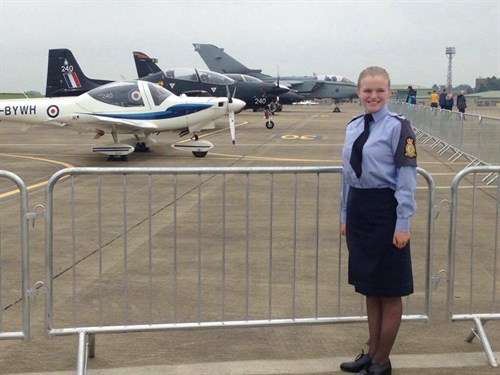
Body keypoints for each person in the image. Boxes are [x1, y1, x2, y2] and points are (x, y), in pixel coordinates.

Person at [339, 66, 417, 375]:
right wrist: (345, 215)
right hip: (359, 210)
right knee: (370, 288)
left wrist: (403, 223)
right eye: (367, 90)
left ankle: (382, 361)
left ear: (389, 93)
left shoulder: (399, 127)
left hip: (386, 210)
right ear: (358, 92)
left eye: (379, 91)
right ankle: (371, 354)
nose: (373, 96)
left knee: (389, 289)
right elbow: (347, 176)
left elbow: (407, 178)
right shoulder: (353, 126)